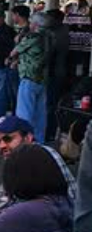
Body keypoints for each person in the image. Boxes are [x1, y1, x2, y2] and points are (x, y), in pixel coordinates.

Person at [0, 114, 76, 228]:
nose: (1, 146)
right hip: (58, 225)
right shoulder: (38, 152)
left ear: (28, 138)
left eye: (8, 139)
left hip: (54, 230)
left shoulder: (28, 158)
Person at [10, 10, 48, 143]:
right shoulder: (49, 37)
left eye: (32, 22)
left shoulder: (32, 37)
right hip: (42, 80)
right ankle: (39, 144)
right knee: (40, 116)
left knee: (24, 114)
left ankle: (23, 144)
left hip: (29, 78)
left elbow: (15, 51)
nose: (30, 24)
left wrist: (11, 58)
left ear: (36, 24)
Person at [44, 8, 70, 142]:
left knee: (50, 104)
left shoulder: (57, 34)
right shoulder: (58, 32)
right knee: (49, 103)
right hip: (55, 72)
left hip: (54, 73)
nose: (45, 21)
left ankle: (49, 131)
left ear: (54, 20)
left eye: (47, 18)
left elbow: (49, 54)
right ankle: (49, 131)